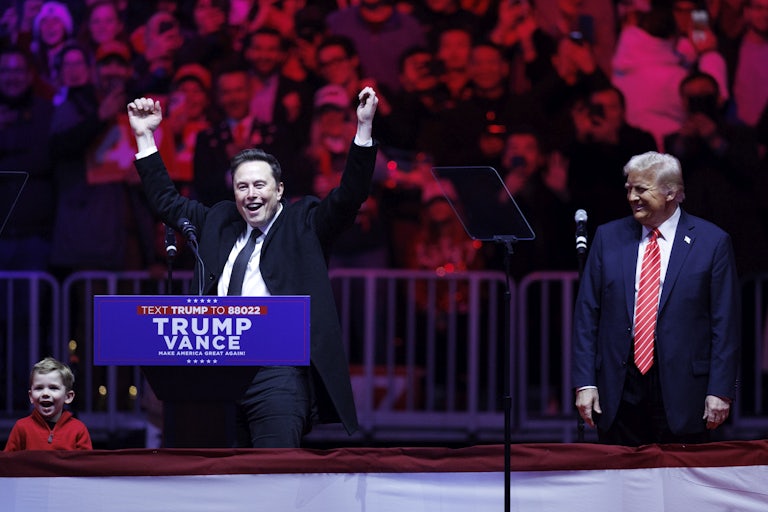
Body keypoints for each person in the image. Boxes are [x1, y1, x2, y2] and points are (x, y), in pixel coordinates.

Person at [127, 86, 379, 448]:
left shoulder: (304, 222)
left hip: (277, 373)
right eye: (242, 186)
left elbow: (349, 196)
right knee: (219, 484)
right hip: (215, 373)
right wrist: (144, 135)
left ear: (279, 190)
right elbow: (166, 201)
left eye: (260, 185)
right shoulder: (217, 220)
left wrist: (364, 129)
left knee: (271, 477)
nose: (251, 194)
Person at [572, 151, 740, 446]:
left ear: (671, 192)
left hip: (685, 392)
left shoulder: (712, 242)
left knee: (682, 486)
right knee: (622, 486)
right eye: (628, 189)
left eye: (641, 189)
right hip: (619, 390)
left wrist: (721, 389)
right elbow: (587, 315)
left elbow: (725, 323)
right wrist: (585, 383)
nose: (632, 197)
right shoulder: (607, 237)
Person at [4, 357, 93, 451]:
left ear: (68, 397)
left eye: (53, 388)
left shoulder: (78, 429)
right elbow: (8, 463)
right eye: (39, 388)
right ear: (31, 397)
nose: (45, 393)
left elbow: (85, 464)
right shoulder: (21, 428)